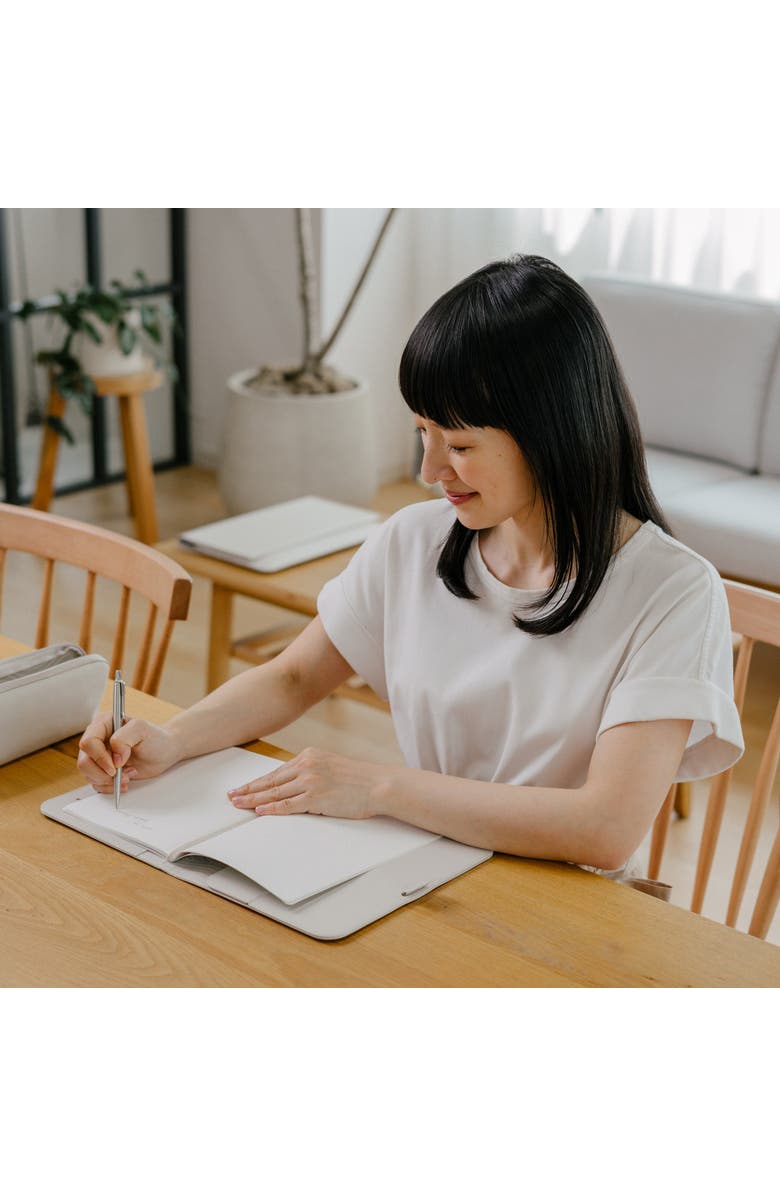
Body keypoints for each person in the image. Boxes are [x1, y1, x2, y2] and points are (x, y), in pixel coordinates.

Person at [78, 254, 743, 879]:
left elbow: (604, 827)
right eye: (423, 433)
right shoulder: (413, 543)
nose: (429, 471)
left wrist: (380, 788)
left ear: (553, 431)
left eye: (458, 444)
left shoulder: (673, 592)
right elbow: (294, 676)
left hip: (561, 906)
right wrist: (171, 740)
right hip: (420, 866)